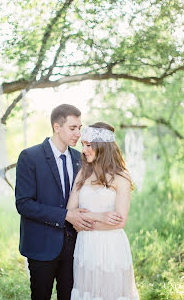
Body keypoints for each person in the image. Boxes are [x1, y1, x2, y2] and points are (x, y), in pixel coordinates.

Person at [15, 104, 95, 300]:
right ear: (56, 127)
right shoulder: (30, 157)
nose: (78, 133)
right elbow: (23, 204)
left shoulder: (80, 159)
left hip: (75, 245)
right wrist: (65, 215)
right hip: (41, 245)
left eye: (80, 127)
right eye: (73, 128)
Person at [67, 122, 140, 300]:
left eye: (89, 145)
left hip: (111, 246)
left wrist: (83, 223)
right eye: (83, 145)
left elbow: (119, 222)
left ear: (103, 146)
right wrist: (99, 216)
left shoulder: (121, 177)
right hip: (85, 246)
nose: (84, 150)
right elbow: (70, 211)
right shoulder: (83, 173)